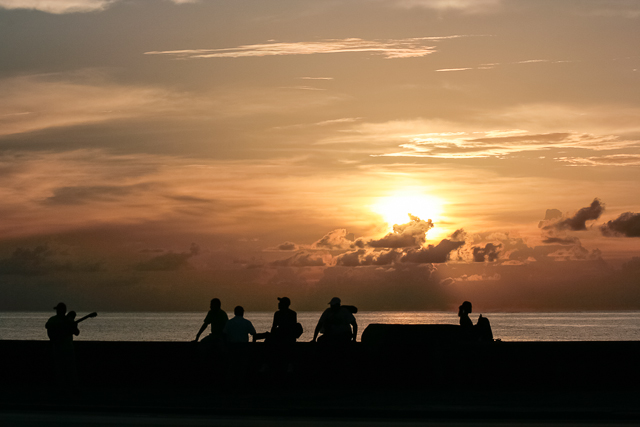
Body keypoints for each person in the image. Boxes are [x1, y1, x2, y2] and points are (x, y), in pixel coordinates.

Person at [45, 302, 78, 388]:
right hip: (65, 349)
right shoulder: (64, 320)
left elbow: (76, 332)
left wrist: (72, 325)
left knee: (61, 370)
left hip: (61, 349)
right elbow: (48, 326)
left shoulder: (54, 319)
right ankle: (68, 388)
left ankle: (64, 388)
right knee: (68, 371)